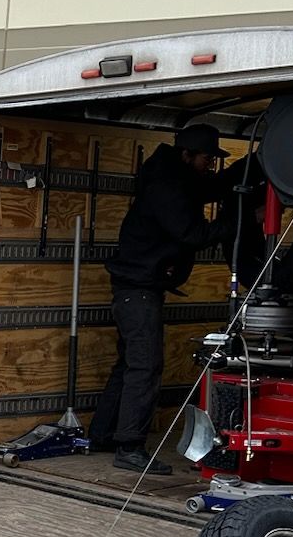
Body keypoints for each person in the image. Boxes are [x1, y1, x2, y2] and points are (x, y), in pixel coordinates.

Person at [89, 123, 227, 473]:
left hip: (135, 291)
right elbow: (193, 233)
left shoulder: (172, 177)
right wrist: (236, 219)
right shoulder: (168, 186)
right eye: (206, 159)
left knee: (130, 364)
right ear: (186, 155)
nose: (210, 165)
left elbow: (205, 188)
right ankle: (130, 447)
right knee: (145, 365)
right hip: (138, 293)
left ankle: (104, 433)